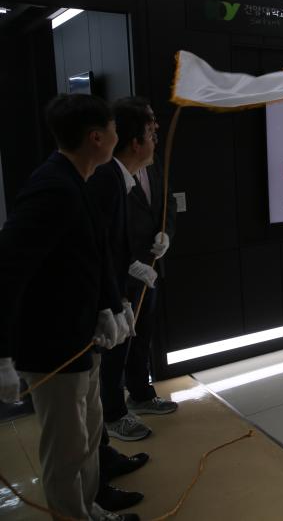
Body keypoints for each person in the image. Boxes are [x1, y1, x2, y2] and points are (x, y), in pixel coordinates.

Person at [0, 94, 138, 521]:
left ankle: (88, 507)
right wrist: (2, 355)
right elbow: (8, 270)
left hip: (82, 338)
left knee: (88, 434)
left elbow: (94, 254)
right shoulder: (52, 189)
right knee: (65, 446)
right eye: (114, 129)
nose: (118, 136)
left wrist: (112, 306)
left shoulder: (80, 180)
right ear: (96, 137)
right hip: (51, 347)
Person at [89, 99, 160, 443]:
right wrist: (112, 301)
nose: (156, 135)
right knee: (107, 359)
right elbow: (95, 249)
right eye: (150, 130)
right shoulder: (105, 179)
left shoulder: (121, 178)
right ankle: (113, 416)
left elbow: (110, 245)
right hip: (90, 301)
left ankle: (105, 449)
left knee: (138, 338)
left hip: (126, 278)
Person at [117, 98, 178, 418]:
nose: (156, 126)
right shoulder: (108, 172)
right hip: (121, 270)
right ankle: (113, 411)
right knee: (117, 343)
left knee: (143, 335)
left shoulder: (151, 161)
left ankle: (140, 394)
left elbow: (167, 202)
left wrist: (165, 233)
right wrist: (127, 262)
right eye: (150, 121)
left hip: (151, 265)